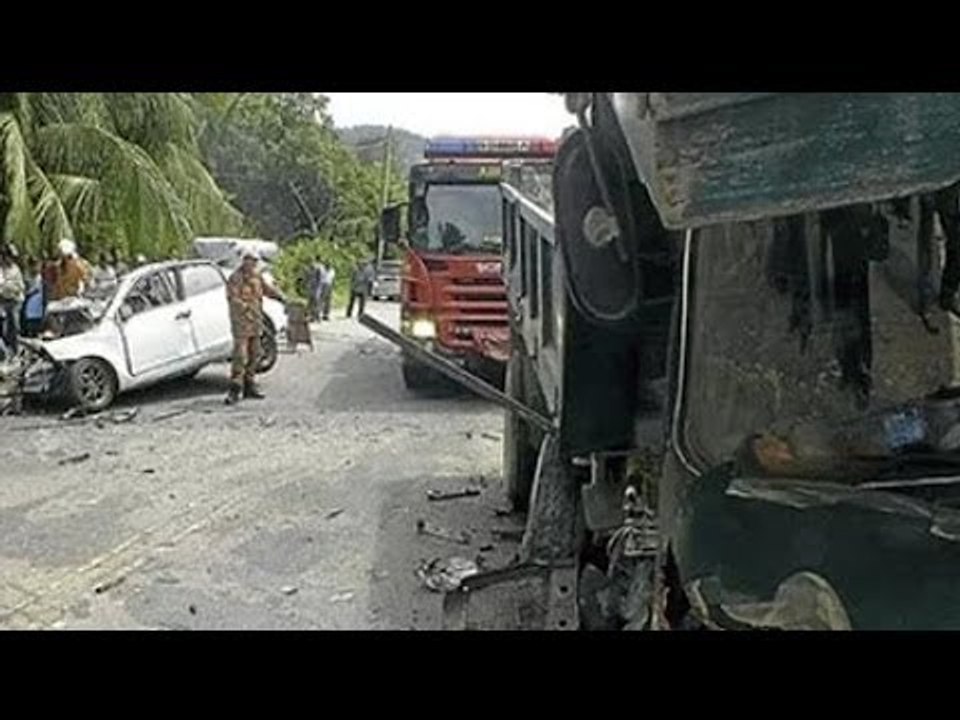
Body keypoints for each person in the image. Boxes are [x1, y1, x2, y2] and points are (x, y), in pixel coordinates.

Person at [224, 249, 286, 405]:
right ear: (244, 261)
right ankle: (234, 388)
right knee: (240, 356)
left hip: (256, 322)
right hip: (242, 323)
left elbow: (267, 290)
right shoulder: (235, 278)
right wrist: (246, 308)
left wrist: (281, 297)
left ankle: (249, 385)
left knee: (255, 354)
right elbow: (233, 299)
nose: (252, 264)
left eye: (255, 261)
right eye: (250, 260)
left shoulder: (257, 277)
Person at [0, 244, 25, 358]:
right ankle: (6, 351)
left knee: (15, 326)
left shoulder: (15, 269)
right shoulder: (1, 269)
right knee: (4, 328)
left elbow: (21, 286)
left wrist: (9, 287)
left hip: (14, 301)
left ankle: (16, 351)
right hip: (3, 301)